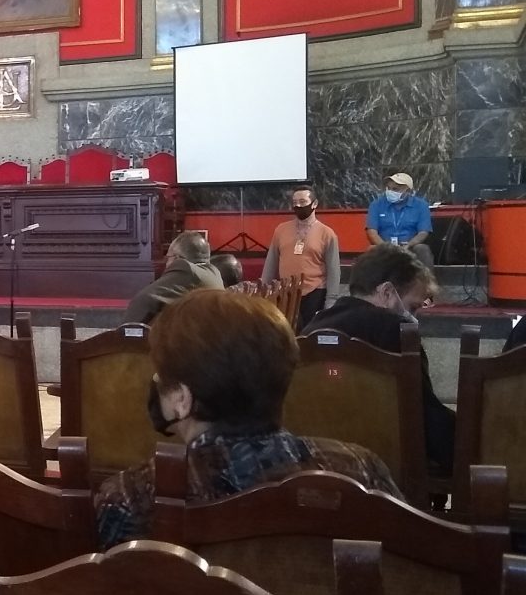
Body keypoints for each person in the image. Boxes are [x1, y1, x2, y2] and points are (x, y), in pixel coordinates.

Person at [94, 289, 402, 548]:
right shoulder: (361, 470)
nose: (155, 380)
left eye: (159, 373)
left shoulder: (132, 497)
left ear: (182, 399)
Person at [303, 244, 454, 474]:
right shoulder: (397, 332)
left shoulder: (310, 330)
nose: (413, 317)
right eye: (413, 307)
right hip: (386, 475)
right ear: (386, 292)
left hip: (319, 470)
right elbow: (424, 416)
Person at [263, 185, 341, 330]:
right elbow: (271, 261)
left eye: (303, 202)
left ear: (314, 204)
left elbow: (333, 270)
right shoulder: (281, 230)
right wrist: (264, 289)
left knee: (309, 334)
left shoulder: (327, 234)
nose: (298, 206)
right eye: (295, 202)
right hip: (286, 292)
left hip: (315, 292)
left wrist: (331, 301)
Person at [123, 231, 223, 325]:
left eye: (168, 258)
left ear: (177, 258)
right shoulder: (214, 272)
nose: (167, 263)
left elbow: (143, 300)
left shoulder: (186, 269)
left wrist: (125, 332)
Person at [365, 173, 433, 269]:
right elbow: (371, 232)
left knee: (422, 249)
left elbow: (423, 232)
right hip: (384, 246)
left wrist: (409, 245)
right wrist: (386, 247)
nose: (390, 192)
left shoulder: (421, 205)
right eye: (388, 188)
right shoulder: (376, 205)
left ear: (408, 191)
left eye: (395, 189)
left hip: (410, 246)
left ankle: (427, 278)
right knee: (372, 249)